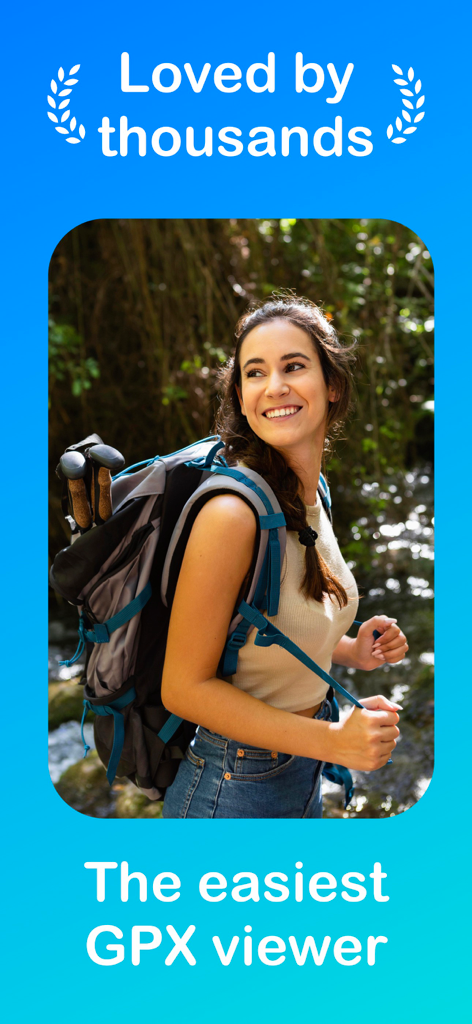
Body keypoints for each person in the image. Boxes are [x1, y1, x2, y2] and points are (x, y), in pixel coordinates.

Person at [161, 296, 408, 819]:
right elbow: (183, 688)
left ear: (332, 383)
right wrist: (334, 743)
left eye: (294, 366)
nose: (274, 386)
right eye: (255, 373)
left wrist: (351, 651)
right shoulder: (231, 515)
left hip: (299, 769)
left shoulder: (310, 490)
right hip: (230, 790)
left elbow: (261, 632)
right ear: (243, 397)